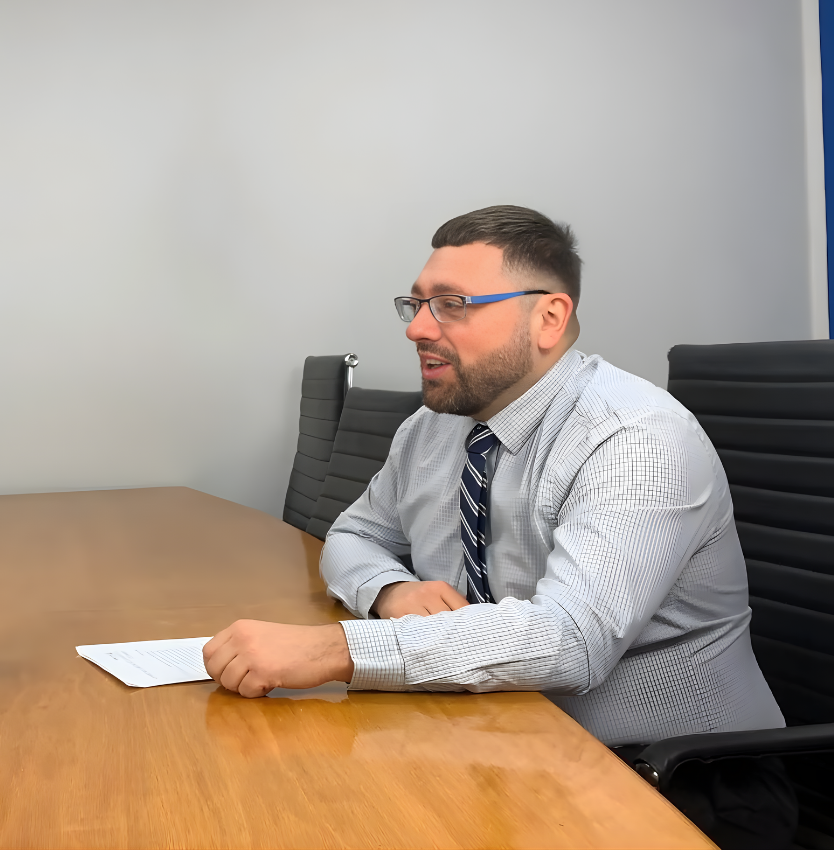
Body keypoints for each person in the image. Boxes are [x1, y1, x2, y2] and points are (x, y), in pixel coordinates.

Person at [203, 206, 796, 847]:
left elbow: (569, 640)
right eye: (417, 304)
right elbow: (352, 536)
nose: (418, 328)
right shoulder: (430, 429)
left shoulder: (636, 438)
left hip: (676, 776)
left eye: (452, 304)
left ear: (549, 318)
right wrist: (389, 592)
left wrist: (333, 651)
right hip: (500, 739)